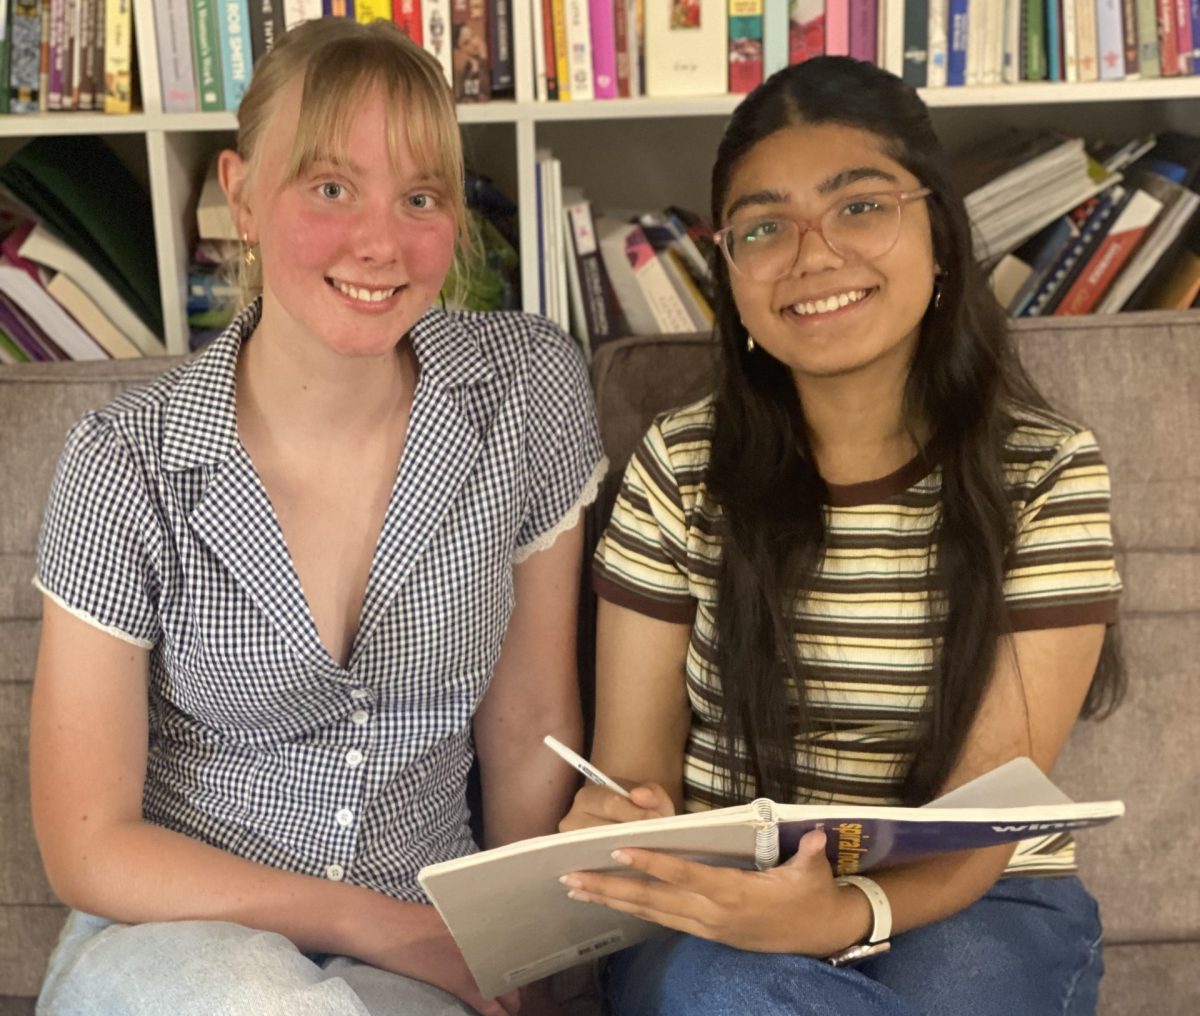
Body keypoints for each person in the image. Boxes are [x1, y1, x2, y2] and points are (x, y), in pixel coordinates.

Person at [30, 18, 604, 1016]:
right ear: (242, 192)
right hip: (174, 944)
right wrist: (382, 925)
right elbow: (88, 844)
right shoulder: (124, 461)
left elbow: (531, 726)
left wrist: (531, 960)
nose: (379, 242)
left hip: (421, 948)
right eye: (330, 187)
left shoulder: (526, 390)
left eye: (419, 196)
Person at [561, 57, 1124, 1016]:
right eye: (765, 227)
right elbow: (639, 770)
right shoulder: (678, 466)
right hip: (727, 905)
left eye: (860, 206)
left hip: (979, 899)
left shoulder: (1046, 472)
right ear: (730, 273)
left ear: (940, 234)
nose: (813, 254)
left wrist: (836, 918)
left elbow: (983, 826)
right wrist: (620, 816)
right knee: (726, 989)